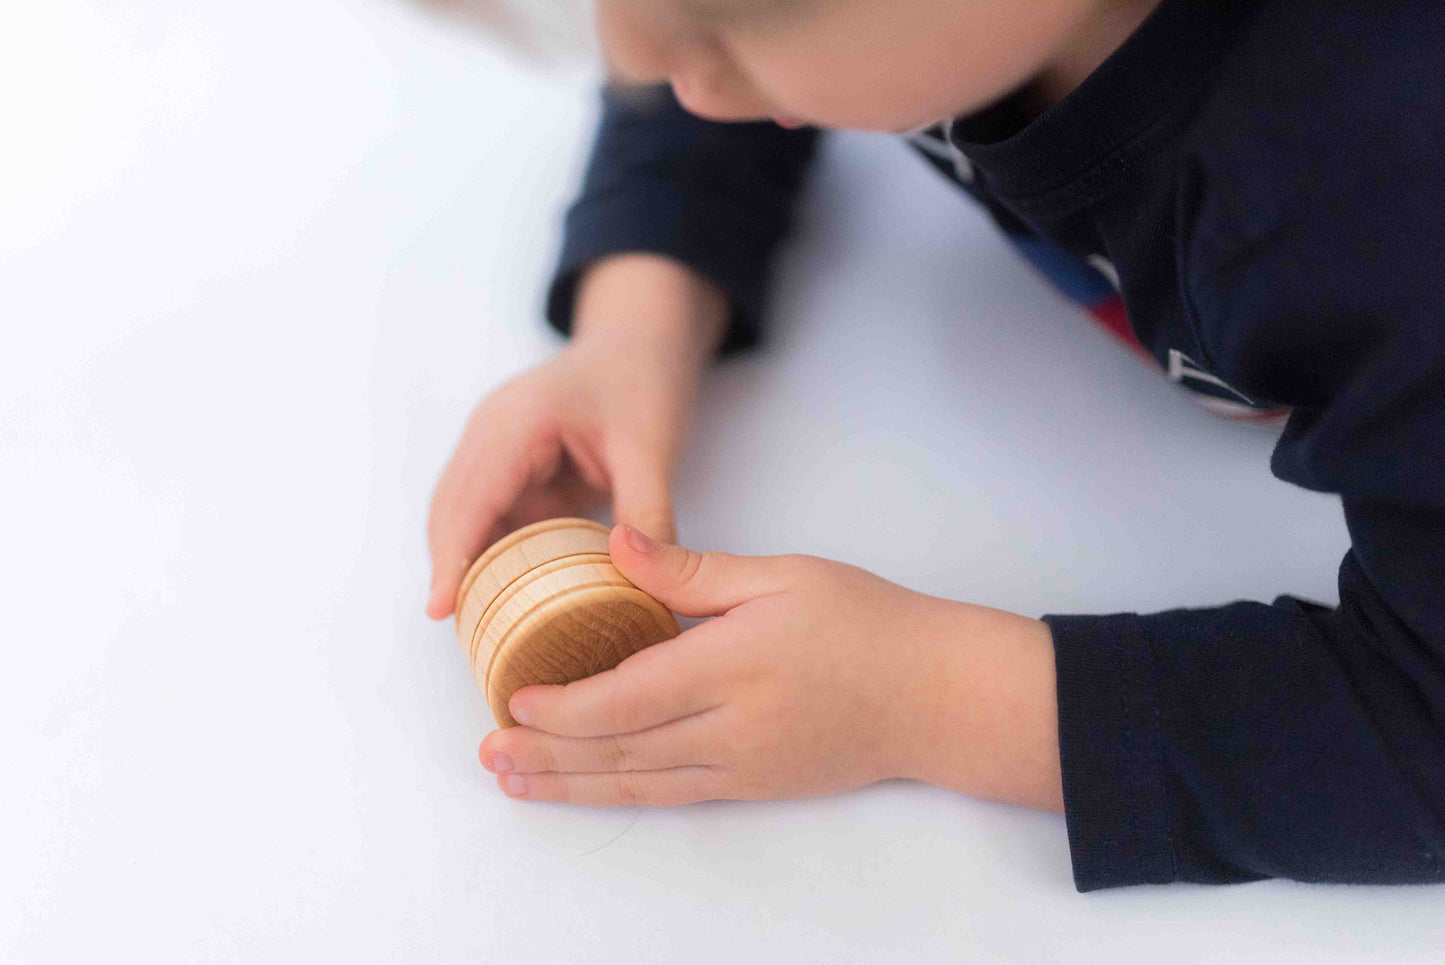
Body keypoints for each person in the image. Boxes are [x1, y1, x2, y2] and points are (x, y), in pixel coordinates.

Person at [424, 0, 1445, 891]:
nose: (643, 64)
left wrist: (926, 695)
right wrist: (637, 319)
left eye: (740, 14)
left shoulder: (1371, 179)